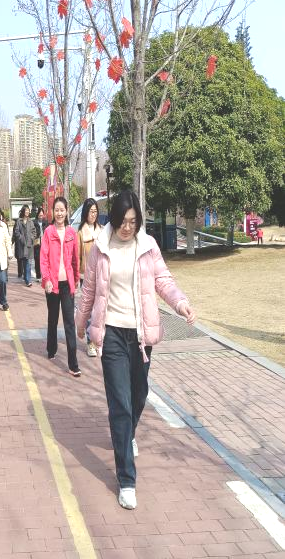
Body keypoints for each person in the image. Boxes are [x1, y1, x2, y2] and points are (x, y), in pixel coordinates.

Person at [77, 190, 196, 510]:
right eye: (122, 221)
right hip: (112, 333)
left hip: (141, 335)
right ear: (113, 220)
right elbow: (89, 289)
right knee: (119, 403)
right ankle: (127, 479)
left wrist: (180, 302)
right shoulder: (101, 247)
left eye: (133, 221)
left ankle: (127, 433)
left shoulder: (148, 246)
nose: (127, 227)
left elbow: (164, 281)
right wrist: (80, 322)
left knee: (139, 394)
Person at [40, 196, 80, 377]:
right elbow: (43, 259)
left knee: (69, 322)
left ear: (66, 211)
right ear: (53, 212)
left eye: (62, 210)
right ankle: (51, 347)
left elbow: (75, 259)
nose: (59, 213)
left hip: (67, 284)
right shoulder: (48, 232)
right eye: (56, 210)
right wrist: (46, 279)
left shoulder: (72, 233)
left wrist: (76, 279)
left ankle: (73, 364)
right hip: (52, 284)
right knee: (53, 318)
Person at [78, 198, 103, 357]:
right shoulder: (80, 233)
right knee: (89, 310)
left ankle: (98, 340)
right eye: (90, 211)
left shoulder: (103, 232)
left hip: (102, 276)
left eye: (95, 211)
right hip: (86, 277)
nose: (93, 214)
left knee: (100, 310)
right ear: (85, 213)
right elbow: (77, 257)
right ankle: (90, 343)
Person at [13, 204, 37, 287]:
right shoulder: (19, 221)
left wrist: (31, 238)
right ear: (23, 211)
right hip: (22, 245)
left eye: (28, 210)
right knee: (24, 262)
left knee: (28, 263)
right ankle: (26, 278)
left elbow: (34, 232)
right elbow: (16, 232)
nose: (27, 211)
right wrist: (21, 238)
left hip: (29, 245)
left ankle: (28, 280)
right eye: (26, 210)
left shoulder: (31, 221)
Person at [33, 208, 48, 281]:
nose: (41, 216)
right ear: (38, 214)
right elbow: (32, 232)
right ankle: (38, 276)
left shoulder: (46, 222)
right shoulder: (34, 222)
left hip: (45, 243)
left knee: (44, 260)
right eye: (40, 214)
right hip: (37, 244)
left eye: (42, 214)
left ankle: (44, 275)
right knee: (37, 260)